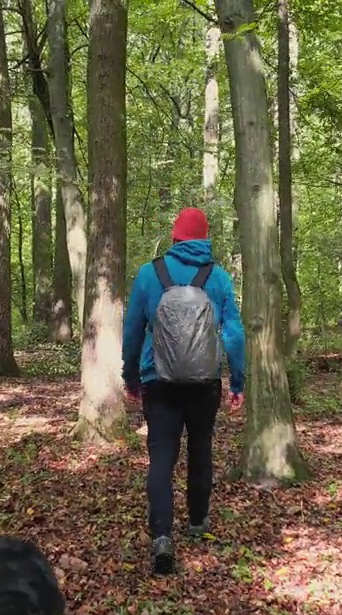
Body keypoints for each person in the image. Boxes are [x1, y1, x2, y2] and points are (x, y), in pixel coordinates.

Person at [122, 207, 246, 576]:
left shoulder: (149, 274)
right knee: (201, 449)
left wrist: (130, 377)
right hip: (204, 382)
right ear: (205, 239)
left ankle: (162, 537)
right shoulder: (218, 277)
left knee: (161, 457)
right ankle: (197, 522)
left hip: (157, 381)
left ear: (175, 237)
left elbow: (132, 331)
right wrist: (237, 382)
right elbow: (235, 336)